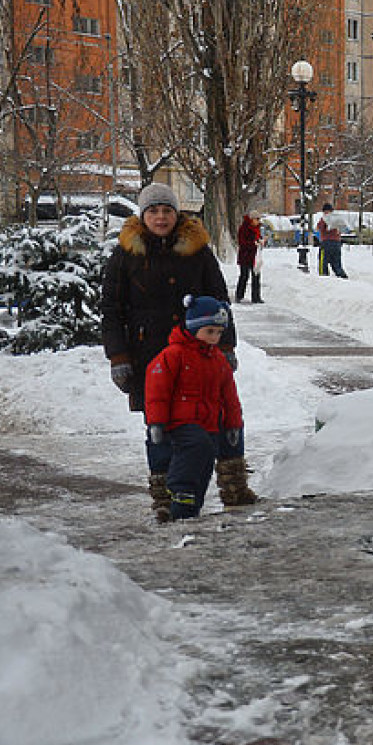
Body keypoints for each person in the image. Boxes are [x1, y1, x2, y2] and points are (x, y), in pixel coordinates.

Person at [101, 182, 258, 520]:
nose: (161, 217)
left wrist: (227, 344)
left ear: (177, 214)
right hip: (148, 355)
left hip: (200, 353)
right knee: (159, 423)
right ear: (143, 215)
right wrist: (118, 357)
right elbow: (111, 310)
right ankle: (166, 497)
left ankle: (233, 487)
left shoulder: (197, 251)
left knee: (218, 414)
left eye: (167, 210)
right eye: (154, 211)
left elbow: (220, 301)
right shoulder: (125, 255)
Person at [143, 296, 244, 520]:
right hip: (179, 423)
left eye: (219, 332)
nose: (215, 338)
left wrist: (233, 424)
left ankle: (191, 508)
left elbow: (230, 397)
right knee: (197, 447)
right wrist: (156, 423)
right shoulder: (173, 355)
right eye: (210, 331)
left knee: (207, 457)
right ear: (193, 327)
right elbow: (157, 392)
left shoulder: (217, 360)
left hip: (207, 424)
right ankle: (179, 491)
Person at [236, 213, 264, 303]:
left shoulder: (257, 229)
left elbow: (258, 238)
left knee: (256, 276)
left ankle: (256, 297)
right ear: (252, 219)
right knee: (244, 276)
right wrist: (253, 244)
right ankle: (239, 295)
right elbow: (242, 242)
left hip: (255, 256)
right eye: (257, 219)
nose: (258, 221)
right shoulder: (243, 228)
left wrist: (261, 241)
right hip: (245, 256)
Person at [316, 203, 349, 278]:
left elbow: (319, 227)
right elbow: (343, 229)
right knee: (336, 263)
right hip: (337, 243)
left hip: (326, 243)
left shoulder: (324, 219)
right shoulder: (337, 218)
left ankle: (323, 278)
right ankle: (342, 277)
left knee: (323, 263)